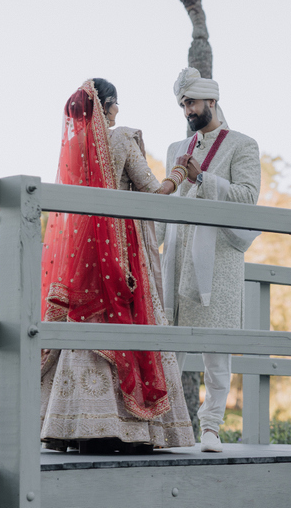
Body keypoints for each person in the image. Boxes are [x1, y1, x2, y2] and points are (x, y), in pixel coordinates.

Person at [39, 78, 195, 454]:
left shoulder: (75, 146)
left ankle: (82, 427)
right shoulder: (123, 138)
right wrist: (179, 172)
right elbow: (153, 192)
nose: (118, 110)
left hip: (83, 252)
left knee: (87, 326)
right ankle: (133, 430)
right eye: (115, 103)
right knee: (131, 325)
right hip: (121, 248)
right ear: (106, 106)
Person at [158, 68, 261, 452]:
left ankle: (212, 429)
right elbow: (166, 204)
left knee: (217, 347)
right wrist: (150, 244)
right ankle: (163, 425)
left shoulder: (242, 145)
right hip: (177, 254)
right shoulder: (175, 149)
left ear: (212, 101)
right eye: (183, 104)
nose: (187, 110)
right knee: (169, 345)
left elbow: (248, 196)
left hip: (218, 258)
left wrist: (203, 179)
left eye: (192, 103)